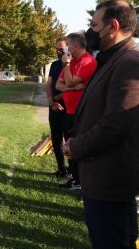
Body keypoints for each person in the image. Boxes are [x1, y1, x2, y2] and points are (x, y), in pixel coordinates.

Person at [65, 0, 139, 248]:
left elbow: (117, 126)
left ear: (112, 26)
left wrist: (76, 147)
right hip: (101, 177)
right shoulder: (113, 58)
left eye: (93, 24)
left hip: (111, 181)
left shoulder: (130, 63)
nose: (89, 31)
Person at [56, 33, 97, 190]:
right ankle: (75, 179)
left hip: (82, 113)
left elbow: (71, 80)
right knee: (69, 146)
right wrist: (73, 87)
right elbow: (59, 85)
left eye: (68, 44)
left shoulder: (88, 61)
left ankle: (83, 181)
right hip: (69, 112)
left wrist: (66, 66)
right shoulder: (71, 61)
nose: (65, 48)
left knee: (80, 147)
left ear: (76, 46)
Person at [45, 37, 68, 178]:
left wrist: (57, 99)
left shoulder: (72, 64)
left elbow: (72, 87)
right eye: (57, 49)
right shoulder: (54, 65)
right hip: (53, 107)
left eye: (62, 48)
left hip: (67, 108)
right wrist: (50, 100)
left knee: (69, 140)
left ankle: (73, 173)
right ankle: (61, 169)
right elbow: (49, 84)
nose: (59, 51)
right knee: (56, 139)